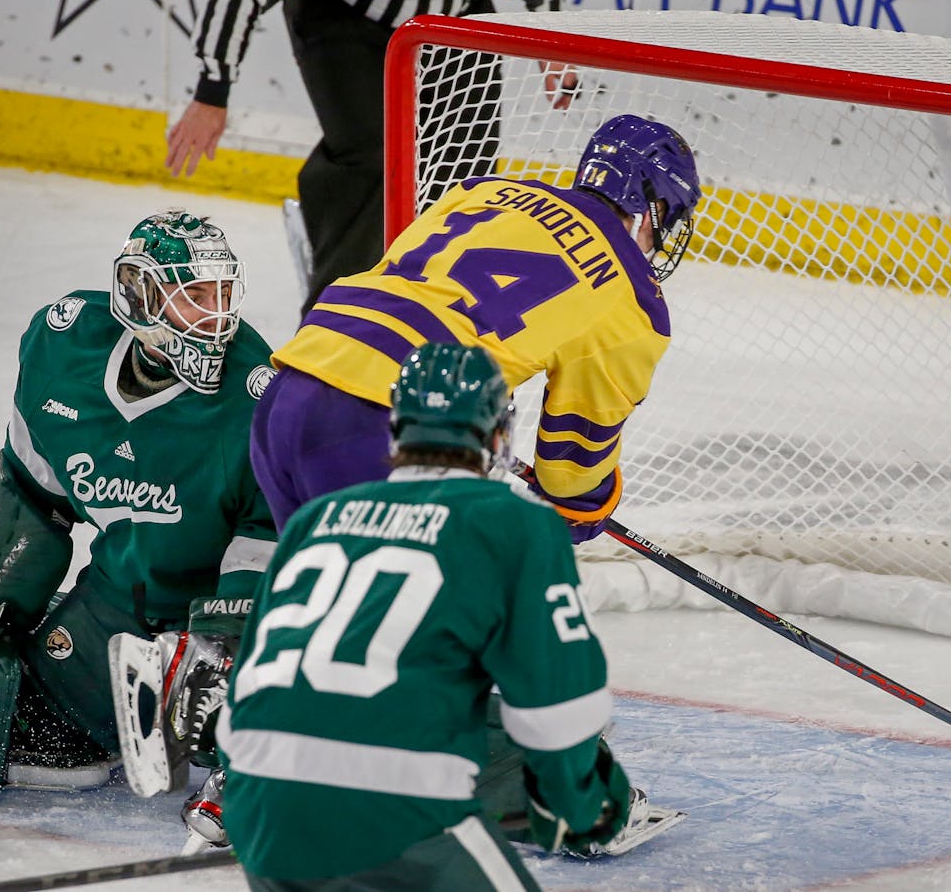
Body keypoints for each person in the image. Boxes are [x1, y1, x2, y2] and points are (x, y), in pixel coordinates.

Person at [221, 341, 648, 889]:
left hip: (259, 799)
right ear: (498, 433)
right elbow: (557, 703)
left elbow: (249, 680)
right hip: (399, 807)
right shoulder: (514, 524)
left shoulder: (317, 517)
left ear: (396, 429)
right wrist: (583, 804)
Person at [0, 211, 278, 851]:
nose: (217, 315)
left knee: (256, 727)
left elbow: (271, 526)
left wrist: (226, 637)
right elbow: (38, 486)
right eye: (195, 295)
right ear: (139, 292)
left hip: (217, 604)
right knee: (36, 725)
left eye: (223, 294)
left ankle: (238, 730)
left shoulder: (257, 394)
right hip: (122, 591)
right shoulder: (65, 349)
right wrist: (14, 548)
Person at [250, 113, 703, 544]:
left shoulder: (481, 191)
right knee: (394, 615)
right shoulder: (634, 301)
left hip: (291, 383)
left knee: (306, 605)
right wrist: (588, 507)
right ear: (653, 205)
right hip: (387, 428)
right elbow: (569, 474)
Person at [166, 0, 579, 316]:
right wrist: (212, 92)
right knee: (376, 158)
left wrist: (554, 40)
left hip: (451, 16)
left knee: (459, 179)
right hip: (344, 10)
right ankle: (334, 320)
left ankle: (433, 320)